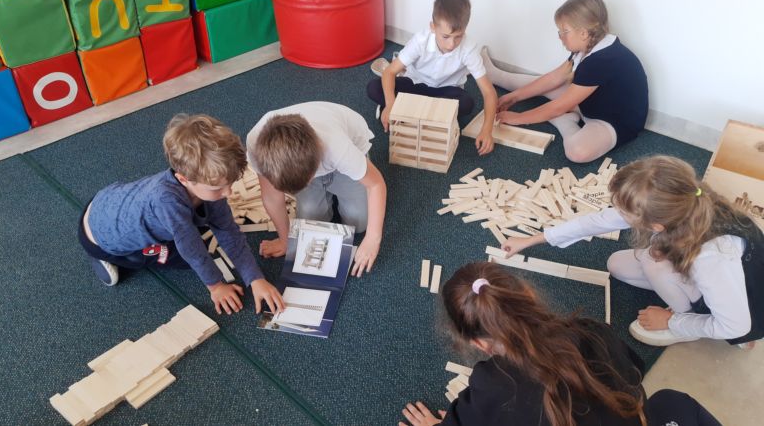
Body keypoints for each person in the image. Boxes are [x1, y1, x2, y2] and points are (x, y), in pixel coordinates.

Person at [399, 262, 721, 426]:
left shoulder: (490, 386)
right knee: (671, 401)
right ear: (528, 294)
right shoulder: (593, 331)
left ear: (479, 344)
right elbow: (633, 371)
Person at [502, 155, 763, 348]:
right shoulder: (676, 203)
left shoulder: (712, 256)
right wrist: (533, 239)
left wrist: (671, 321)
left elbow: (736, 326)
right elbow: (597, 222)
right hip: (708, 276)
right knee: (617, 265)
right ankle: (680, 296)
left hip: (745, 309)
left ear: (656, 225)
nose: (619, 214)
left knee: (653, 261)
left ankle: (686, 318)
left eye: (625, 213)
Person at [79, 114, 285, 316]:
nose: (229, 193)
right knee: (185, 257)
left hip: (106, 200)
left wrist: (255, 279)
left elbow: (228, 231)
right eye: (218, 188)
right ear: (184, 179)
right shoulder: (167, 201)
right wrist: (216, 287)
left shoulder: (206, 184)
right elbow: (192, 252)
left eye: (230, 184)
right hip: (101, 240)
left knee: (194, 233)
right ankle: (110, 259)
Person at [483, 0, 648, 163]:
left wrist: (519, 118)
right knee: (543, 83)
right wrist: (514, 97)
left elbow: (559, 106)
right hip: (591, 102)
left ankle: (564, 123)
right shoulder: (590, 45)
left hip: (612, 122)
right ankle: (496, 75)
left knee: (577, 152)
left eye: (564, 31)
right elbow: (553, 78)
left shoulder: (600, 61)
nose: (560, 36)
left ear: (583, 33)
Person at [246, 102, 387, 277]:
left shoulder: (338, 147)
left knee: (358, 224)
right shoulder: (256, 145)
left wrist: (373, 239)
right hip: (314, 156)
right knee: (311, 224)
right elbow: (272, 197)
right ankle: (324, 194)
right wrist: (285, 240)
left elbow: (376, 184)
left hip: (348, 145)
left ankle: (337, 186)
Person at [366, 0, 498, 156]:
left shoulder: (469, 49)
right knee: (374, 88)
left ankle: (408, 111)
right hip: (415, 84)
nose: (451, 44)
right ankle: (423, 114)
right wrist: (390, 103)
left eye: (458, 37)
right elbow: (389, 72)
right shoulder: (420, 40)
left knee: (467, 104)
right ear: (433, 27)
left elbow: (489, 92)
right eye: (445, 37)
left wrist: (487, 130)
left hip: (445, 91)